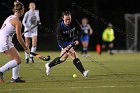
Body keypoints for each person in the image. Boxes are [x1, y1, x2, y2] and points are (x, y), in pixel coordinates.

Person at [45, 11, 89, 77]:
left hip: (70, 41)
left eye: (69, 19)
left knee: (63, 58)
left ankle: (49, 65)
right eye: (66, 19)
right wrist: (65, 47)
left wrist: (77, 39)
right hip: (62, 42)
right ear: (63, 18)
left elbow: (79, 30)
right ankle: (83, 72)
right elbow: (59, 39)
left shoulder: (74, 21)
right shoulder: (60, 26)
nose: (68, 21)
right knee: (73, 54)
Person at [0, 1, 30, 83]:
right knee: (18, 60)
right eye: (23, 10)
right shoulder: (18, 22)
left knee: (17, 57)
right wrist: (26, 48)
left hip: (4, 40)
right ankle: (0, 71)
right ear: (21, 11)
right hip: (4, 41)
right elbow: (19, 37)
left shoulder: (10, 17)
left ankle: (15, 78)